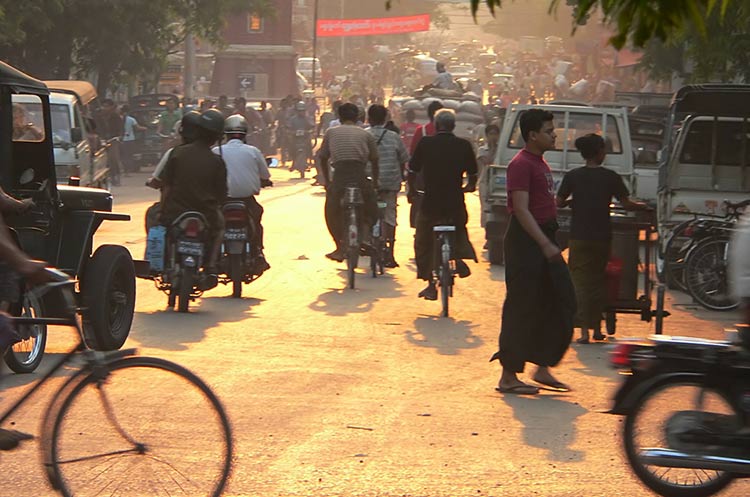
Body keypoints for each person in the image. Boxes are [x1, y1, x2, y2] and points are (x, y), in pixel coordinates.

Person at [490, 109, 576, 395]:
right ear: (532, 135)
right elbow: (522, 210)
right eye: (549, 131)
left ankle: (542, 366)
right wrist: (543, 243)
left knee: (555, 300)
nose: (554, 135)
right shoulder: (521, 164)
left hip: (544, 235)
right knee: (521, 305)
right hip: (527, 240)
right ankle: (508, 376)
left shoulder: (539, 163)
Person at [557, 134, 650, 343]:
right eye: (604, 151)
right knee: (598, 281)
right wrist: (643, 207)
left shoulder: (573, 176)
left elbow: (558, 202)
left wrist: (574, 201)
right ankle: (597, 330)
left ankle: (582, 333)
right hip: (601, 237)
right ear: (598, 152)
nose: (604, 154)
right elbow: (626, 204)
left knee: (580, 282)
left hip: (579, 236)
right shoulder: (611, 177)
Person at [408, 109, 477, 300]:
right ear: (453, 126)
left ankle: (430, 282)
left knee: (423, 239)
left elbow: (412, 170)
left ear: (436, 125)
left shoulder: (426, 143)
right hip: (455, 202)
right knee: (460, 228)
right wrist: (469, 186)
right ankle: (459, 256)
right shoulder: (463, 145)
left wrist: (412, 190)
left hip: (431, 202)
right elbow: (473, 173)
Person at [159, 109, 228, 272]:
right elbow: (221, 195)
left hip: (175, 211)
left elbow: (166, 187)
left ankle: (163, 262)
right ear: (217, 137)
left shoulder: (177, 153)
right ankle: (211, 264)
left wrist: (163, 211)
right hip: (206, 213)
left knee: (160, 228)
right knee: (220, 229)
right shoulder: (217, 162)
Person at [318, 102, 379, 262]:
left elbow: (322, 157)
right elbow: (375, 160)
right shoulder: (365, 134)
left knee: (331, 210)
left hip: (339, 175)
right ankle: (366, 236)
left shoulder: (331, 132)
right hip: (360, 174)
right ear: (358, 117)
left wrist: (327, 181)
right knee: (372, 205)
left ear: (339, 116)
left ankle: (339, 246)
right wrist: (375, 183)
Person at [213, 114, 271, 273]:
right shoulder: (253, 151)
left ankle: (212, 256)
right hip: (246, 201)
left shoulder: (216, 151)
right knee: (257, 217)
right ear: (245, 133)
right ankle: (258, 251)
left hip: (223, 201)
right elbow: (265, 176)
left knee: (213, 224)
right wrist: (263, 181)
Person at [366, 104, 409, 268]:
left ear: (368, 119)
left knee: (367, 213)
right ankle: (390, 253)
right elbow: (405, 158)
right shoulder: (393, 137)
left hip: (369, 184)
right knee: (390, 216)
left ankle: (366, 241)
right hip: (390, 184)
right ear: (385, 119)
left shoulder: (364, 135)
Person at [408, 101, 444, 228]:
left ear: (428, 115)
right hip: (443, 175)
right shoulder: (448, 133)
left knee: (420, 200)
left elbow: (412, 155)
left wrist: (410, 186)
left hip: (424, 175)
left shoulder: (421, 131)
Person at [94, 98, 124, 186]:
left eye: (107, 106)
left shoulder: (116, 117)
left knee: (113, 158)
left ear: (112, 107)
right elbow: (95, 128)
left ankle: (115, 176)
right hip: (100, 139)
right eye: (104, 106)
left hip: (113, 139)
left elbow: (121, 129)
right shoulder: (98, 117)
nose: (105, 108)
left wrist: (119, 137)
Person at [477, 124, 500, 229]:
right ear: (486, 135)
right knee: (485, 208)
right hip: (484, 182)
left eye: (495, 134)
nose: (493, 136)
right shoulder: (482, 149)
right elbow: (488, 162)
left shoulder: (502, 149)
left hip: (497, 182)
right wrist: (492, 148)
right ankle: (487, 230)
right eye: (491, 134)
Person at [120, 104, 146, 174]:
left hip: (121, 139)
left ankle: (125, 169)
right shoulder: (131, 119)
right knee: (129, 155)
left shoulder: (119, 118)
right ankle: (128, 170)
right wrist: (145, 128)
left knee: (123, 155)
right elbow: (137, 128)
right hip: (130, 140)